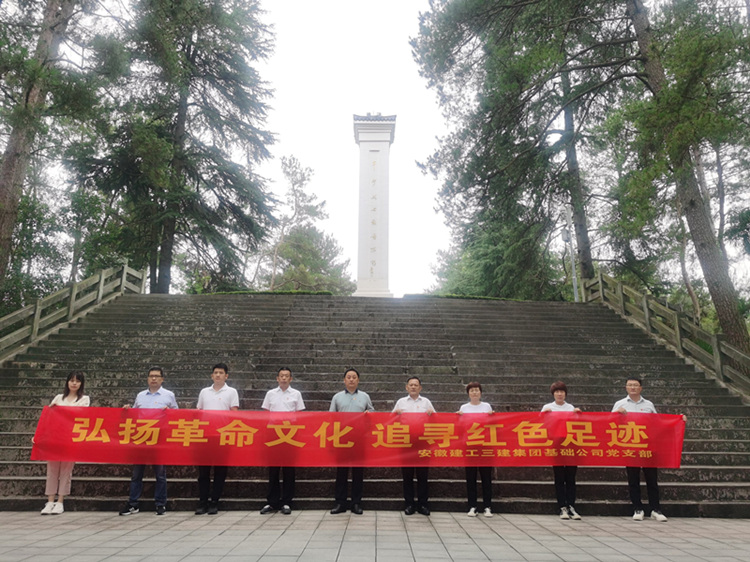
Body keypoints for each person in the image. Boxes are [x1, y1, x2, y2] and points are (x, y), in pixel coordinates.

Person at [613, 376, 676, 522]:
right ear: (626, 387)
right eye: (630, 385)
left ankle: (655, 509)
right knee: (633, 479)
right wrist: (617, 413)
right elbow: (608, 422)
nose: (633, 387)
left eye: (635, 385)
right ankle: (637, 508)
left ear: (640, 388)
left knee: (651, 479)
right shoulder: (619, 404)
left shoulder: (648, 404)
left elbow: (659, 422)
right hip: (630, 446)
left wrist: (678, 420)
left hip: (648, 446)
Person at [119, 366, 178, 516]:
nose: (154, 378)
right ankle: (133, 503)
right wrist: (127, 410)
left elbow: (177, 416)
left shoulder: (169, 395)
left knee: (160, 473)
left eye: (157, 376)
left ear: (162, 379)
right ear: (147, 378)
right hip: (142, 438)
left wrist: (169, 413)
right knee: (137, 473)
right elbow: (134, 414)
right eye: (151, 376)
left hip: (159, 438)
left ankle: (160, 503)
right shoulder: (140, 396)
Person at [39, 370, 90, 515]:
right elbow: (49, 417)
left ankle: (60, 501)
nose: (74, 383)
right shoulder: (58, 398)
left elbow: (81, 415)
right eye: (72, 380)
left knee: (66, 470)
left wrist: (62, 411)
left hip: (71, 439)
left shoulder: (84, 399)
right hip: (55, 438)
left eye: (77, 381)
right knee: (52, 470)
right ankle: (50, 501)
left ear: (81, 384)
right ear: (67, 382)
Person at [195, 363, 239, 515]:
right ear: (211, 375)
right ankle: (203, 501)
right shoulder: (204, 392)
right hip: (205, 436)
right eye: (215, 372)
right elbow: (199, 411)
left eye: (221, 373)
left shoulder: (231, 392)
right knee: (203, 472)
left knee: (220, 471)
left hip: (222, 437)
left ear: (226, 376)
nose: (218, 375)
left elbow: (234, 413)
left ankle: (214, 501)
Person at [260, 367, 305, 515]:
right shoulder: (270, 394)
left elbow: (299, 414)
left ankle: (287, 501)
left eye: (286, 376)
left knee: (288, 469)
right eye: (281, 376)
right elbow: (266, 413)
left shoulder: (296, 394)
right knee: (273, 468)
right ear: (277, 378)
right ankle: (272, 502)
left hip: (290, 433)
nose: (284, 378)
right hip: (273, 433)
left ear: (291, 379)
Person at [329, 368, 374, 515]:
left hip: (359, 439)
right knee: (341, 472)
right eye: (348, 377)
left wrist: (369, 414)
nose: (351, 379)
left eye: (354, 377)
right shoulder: (337, 397)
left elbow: (373, 413)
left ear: (358, 380)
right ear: (344, 380)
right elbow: (331, 417)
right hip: (342, 439)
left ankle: (356, 503)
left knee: (358, 472)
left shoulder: (365, 396)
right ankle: (340, 502)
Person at [393, 376, 434, 516]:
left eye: (416, 385)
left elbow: (437, 419)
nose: (413, 387)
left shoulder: (426, 402)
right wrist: (396, 414)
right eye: (411, 385)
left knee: (423, 475)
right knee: (407, 475)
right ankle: (409, 504)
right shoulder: (401, 402)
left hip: (423, 442)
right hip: (406, 443)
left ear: (420, 388)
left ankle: (423, 504)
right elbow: (390, 419)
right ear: (406, 387)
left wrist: (431, 414)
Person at [541, 381, 582, 520]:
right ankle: (562, 507)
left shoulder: (570, 407)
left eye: (562, 392)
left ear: (565, 394)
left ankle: (571, 506)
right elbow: (540, 424)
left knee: (571, 478)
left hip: (570, 446)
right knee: (559, 477)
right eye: (557, 392)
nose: (559, 394)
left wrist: (578, 414)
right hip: (556, 446)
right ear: (553, 394)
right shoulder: (548, 407)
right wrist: (544, 415)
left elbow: (577, 425)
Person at [458, 382, 494, 518]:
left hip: (485, 446)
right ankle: (472, 506)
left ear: (480, 392)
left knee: (486, 477)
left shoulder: (486, 406)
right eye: (472, 390)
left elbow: (491, 425)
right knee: (470, 477)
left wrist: (492, 416)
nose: (474, 392)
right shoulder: (464, 408)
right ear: (468, 393)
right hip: (470, 446)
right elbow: (460, 426)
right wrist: (458, 417)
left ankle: (487, 506)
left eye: (477, 390)